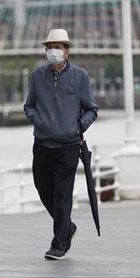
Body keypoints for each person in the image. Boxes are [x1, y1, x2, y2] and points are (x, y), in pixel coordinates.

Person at [24, 29, 99, 260]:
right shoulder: (37, 76)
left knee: (62, 195)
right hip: (43, 144)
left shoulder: (80, 77)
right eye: (50, 47)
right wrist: (39, 122)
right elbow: (29, 106)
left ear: (67, 51)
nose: (53, 51)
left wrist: (77, 127)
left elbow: (92, 109)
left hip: (68, 145)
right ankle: (67, 227)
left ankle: (59, 244)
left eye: (58, 47)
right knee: (43, 188)